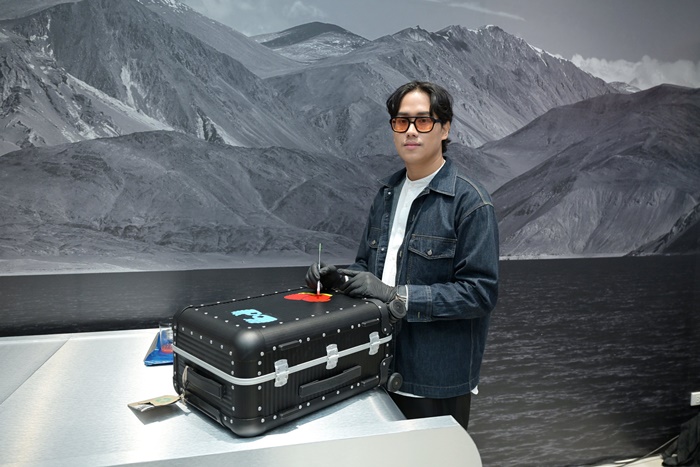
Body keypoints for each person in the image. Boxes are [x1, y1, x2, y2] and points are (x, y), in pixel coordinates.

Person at [305, 81, 499, 430]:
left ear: (445, 128)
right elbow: (367, 266)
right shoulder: (386, 194)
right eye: (401, 121)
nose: (410, 131)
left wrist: (396, 297)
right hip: (377, 369)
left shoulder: (470, 203)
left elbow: (479, 293)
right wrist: (340, 279)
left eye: (422, 121)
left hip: (435, 382)